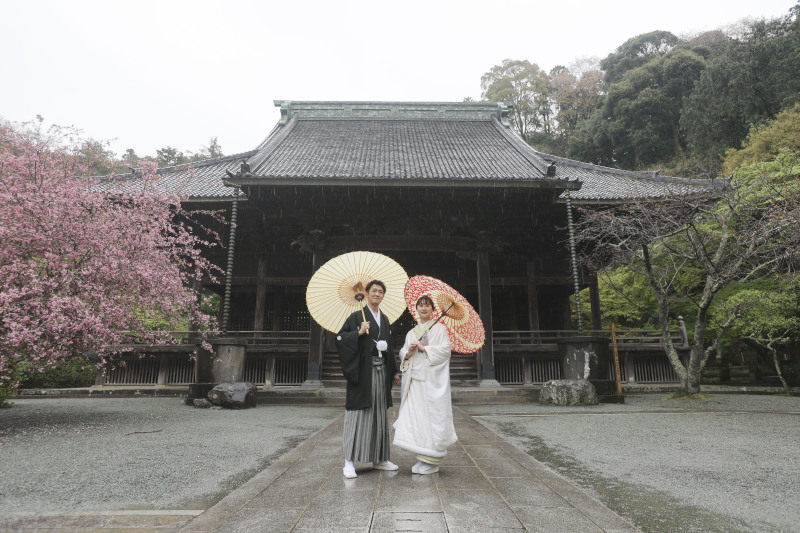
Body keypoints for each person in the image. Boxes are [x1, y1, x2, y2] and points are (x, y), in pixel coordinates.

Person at [335, 279, 401, 479]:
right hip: (363, 372)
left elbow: (390, 346)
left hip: (381, 371)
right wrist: (358, 332)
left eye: (381, 291)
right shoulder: (356, 316)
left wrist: (394, 371)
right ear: (366, 293)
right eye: (374, 291)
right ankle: (349, 461)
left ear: (383, 296)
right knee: (358, 413)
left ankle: (380, 458)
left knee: (379, 414)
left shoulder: (386, 319)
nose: (377, 294)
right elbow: (339, 339)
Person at [392, 294, 457, 474]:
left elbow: (446, 351)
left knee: (431, 419)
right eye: (420, 305)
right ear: (416, 309)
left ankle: (432, 460)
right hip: (415, 381)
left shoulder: (440, 329)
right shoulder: (411, 333)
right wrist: (409, 352)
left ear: (433, 310)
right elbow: (403, 351)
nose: (423, 308)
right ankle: (422, 457)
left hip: (431, 382)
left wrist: (425, 348)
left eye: (427, 305)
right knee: (417, 419)